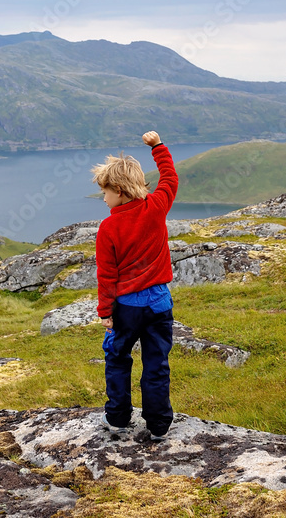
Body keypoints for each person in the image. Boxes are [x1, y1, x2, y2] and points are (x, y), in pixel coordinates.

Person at [91, 130, 178, 441]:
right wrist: (157, 147)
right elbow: (169, 178)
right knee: (156, 363)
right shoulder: (156, 207)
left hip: (127, 306)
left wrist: (105, 312)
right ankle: (158, 425)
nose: (103, 198)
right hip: (160, 303)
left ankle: (117, 418)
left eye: (105, 192)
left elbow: (107, 274)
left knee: (117, 357)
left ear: (118, 190)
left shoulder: (109, 227)